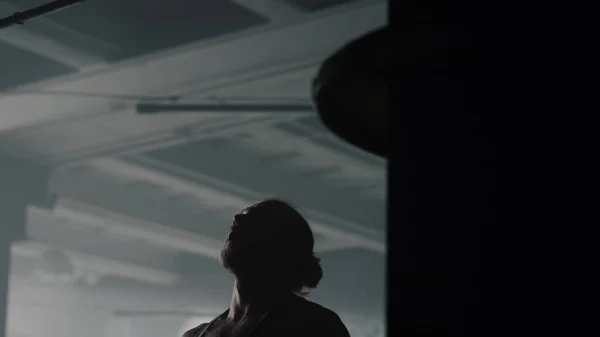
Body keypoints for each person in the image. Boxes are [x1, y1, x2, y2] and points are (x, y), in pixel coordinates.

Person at [182, 198, 351, 337]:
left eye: (256, 220)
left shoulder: (317, 326)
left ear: (283, 247)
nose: (236, 219)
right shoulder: (194, 335)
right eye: (241, 216)